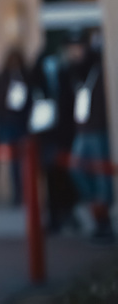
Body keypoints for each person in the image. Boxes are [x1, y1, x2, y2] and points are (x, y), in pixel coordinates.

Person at [67, 28, 114, 243]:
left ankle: (104, 223)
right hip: (82, 130)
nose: (75, 52)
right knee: (76, 168)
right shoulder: (75, 71)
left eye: (78, 47)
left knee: (102, 174)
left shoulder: (100, 67)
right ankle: (96, 212)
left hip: (98, 129)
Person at [30, 44, 79, 234]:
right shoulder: (37, 79)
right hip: (45, 137)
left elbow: (69, 104)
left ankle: (67, 213)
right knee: (50, 178)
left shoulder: (64, 76)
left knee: (65, 175)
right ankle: (55, 219)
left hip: (62, 135)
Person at [0, 48, 32, 206]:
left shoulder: (25, 76)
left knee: (26, 162)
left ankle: (26, 194)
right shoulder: (3, 78)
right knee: (14, 163)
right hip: (9, 124)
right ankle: (17, 195)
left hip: (21, 125)